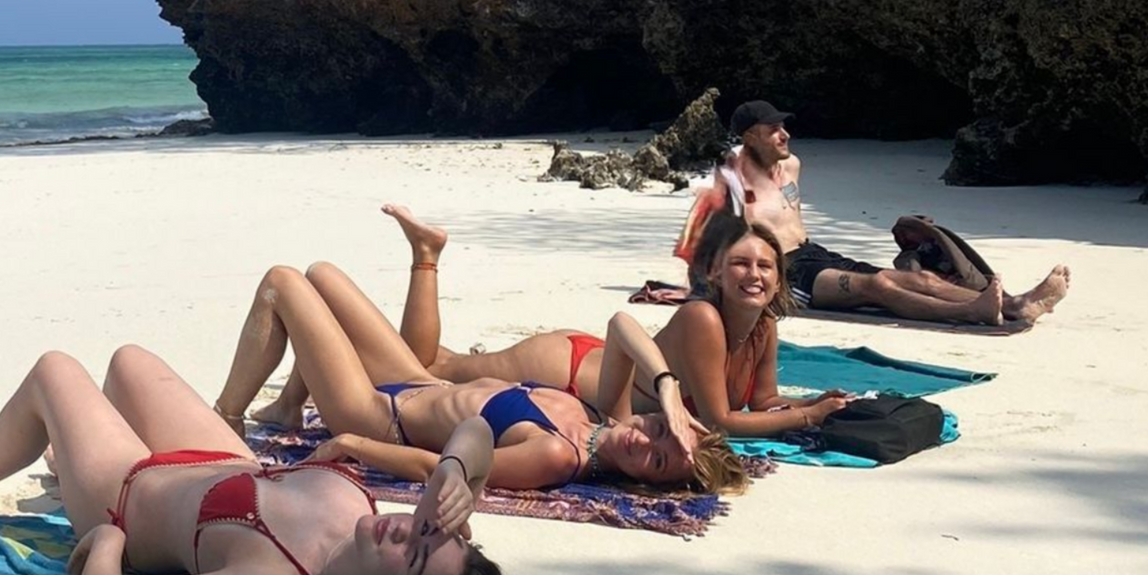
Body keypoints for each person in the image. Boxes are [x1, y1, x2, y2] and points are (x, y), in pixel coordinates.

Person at [0, 346, 522, 575]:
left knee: (55, 370)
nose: (405, 531)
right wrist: (453, 469)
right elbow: (475, 430)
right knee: (130, 361)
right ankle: (70, 451)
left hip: (127, 492)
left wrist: (105, 541)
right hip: (221, 463)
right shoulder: (406, 525)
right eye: (430, 531)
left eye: (413, 556)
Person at [253, 205, 850, 439]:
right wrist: (807, 417)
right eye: (741, 263)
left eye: (766, 266)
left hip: (597, 367)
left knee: (420, 366)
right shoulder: (703, 319)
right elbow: (719, 418)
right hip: (566, 370)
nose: (756, 274)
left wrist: (804, 404)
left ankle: (300, 379)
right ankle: (426, 256)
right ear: (714, 273)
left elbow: (762, 400)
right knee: (430, 366)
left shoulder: (764, 327)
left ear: (778, 277)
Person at [212, 260, 748, 495]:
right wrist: (668, 391)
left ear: (645, 483)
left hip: (380, 417)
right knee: (321, 274)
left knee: (282, 284)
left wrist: (352, 444)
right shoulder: (611, 416)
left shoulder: (560, 456)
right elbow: (621, 324)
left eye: (655, 460)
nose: (642, 440)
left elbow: (444, 469)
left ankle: (224, 421)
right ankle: (285, 407)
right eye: (659, 432)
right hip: (416, 382)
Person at [713, 100, 1070, 325]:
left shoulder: (791, 165)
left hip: (813, 253)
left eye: (784, 126)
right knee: (879, 286)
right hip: (785, 272)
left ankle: (1015, 304)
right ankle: (969, 311)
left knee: (921, 280)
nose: (784, 134)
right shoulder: (732, 176)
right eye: (773, 129)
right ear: (749, 137)